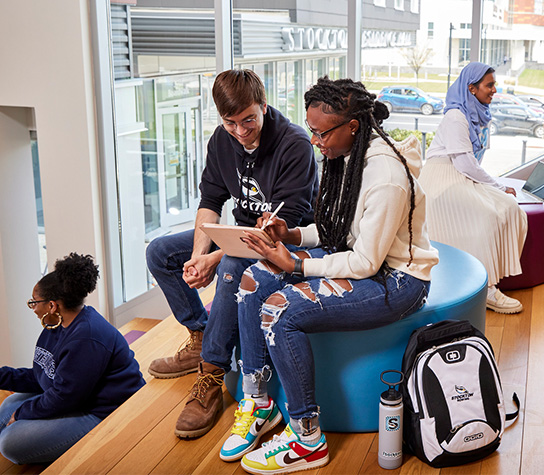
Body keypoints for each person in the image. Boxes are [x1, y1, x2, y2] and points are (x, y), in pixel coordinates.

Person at [220, 77, 438, 473]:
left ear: (352, 126)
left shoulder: (385, 176)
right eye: (311, 130)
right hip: (358, 259)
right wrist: (292, 234)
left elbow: (366, 263)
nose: (315, 141)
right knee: (253, 282)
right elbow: (339, 228)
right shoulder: (345, 159)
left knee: (279, 311)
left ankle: (307, 439)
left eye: (320, 133)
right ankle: (259, 403)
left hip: (397, 280)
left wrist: (298, 264)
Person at [144, 69, 318, 438]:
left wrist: (214, 258)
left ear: (264, 105)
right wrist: (197, 255)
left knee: (232, 264)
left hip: (286, 239)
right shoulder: (221, 141)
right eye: (230, 123)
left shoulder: (295, 144)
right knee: (160, 253)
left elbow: (276, 230)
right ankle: (199, 335)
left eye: (248, 120)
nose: (240, 131)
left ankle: (211, 373)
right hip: (238, 235)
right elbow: (210, 202)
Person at [0, 254, 145, 465]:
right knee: (10, 403)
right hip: (77, 397)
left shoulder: (86, 337)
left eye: (34, 302)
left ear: (52, 306)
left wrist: (22, 414)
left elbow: (64, 397)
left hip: (105, 411)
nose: (33, 308)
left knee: (10, 443)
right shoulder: (56, 325)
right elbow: (44, 375)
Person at [418, 62, 528, 314]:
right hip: (442, 180)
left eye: (494, 85)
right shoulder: (456, 116)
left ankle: (490, 279)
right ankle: (486, 288)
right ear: (471, 88)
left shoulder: (476, 114)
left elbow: (470, 164)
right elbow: (465, 162)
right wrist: (498, 185)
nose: (494, 90)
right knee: (488, 215)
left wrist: (495, 188)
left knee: (510, 208)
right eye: (489, 85)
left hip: (457, 175)